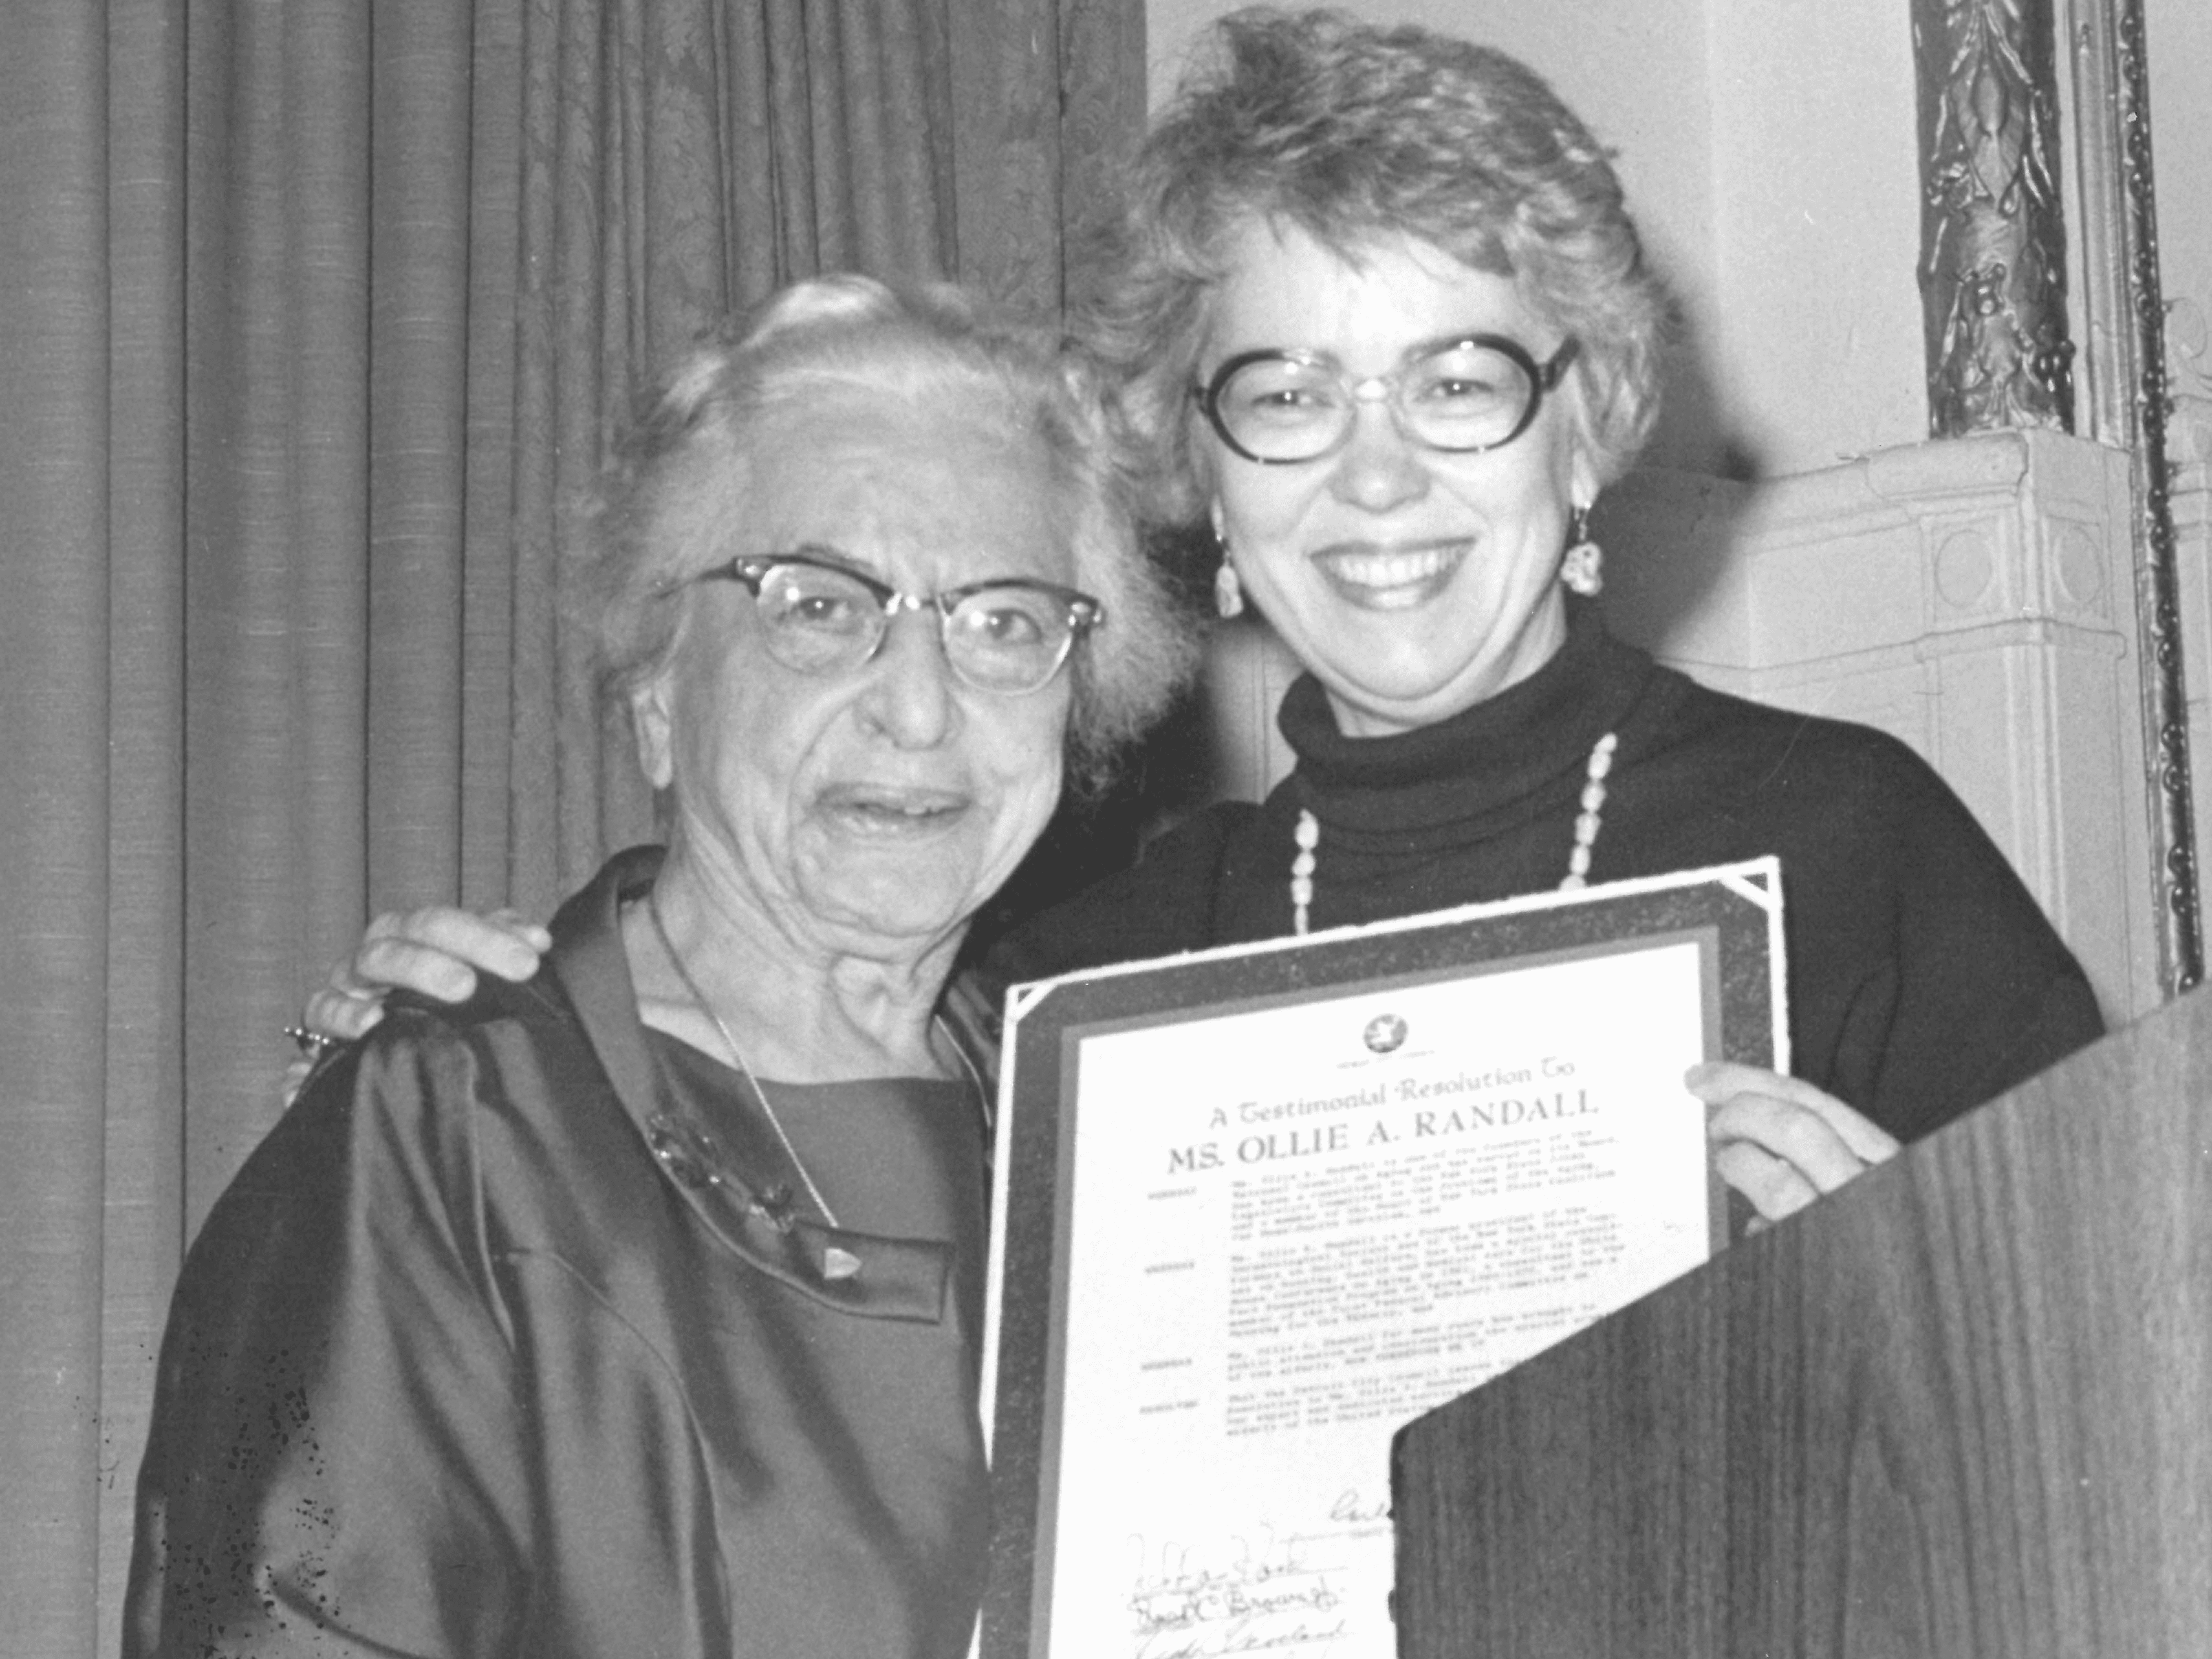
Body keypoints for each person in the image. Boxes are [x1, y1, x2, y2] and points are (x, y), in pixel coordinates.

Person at [298, 8, 2099, 1231]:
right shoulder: (1087, 968)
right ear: (1205, 473)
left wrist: (1921, 1305)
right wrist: (489, 1034)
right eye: (1292, 394)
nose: (1374, 480)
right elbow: (755, 1207)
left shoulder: (1853, 851)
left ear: (1583, 429)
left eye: (1456, 383)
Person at [124, 276, 1195, 1659]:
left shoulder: (1111, 1137)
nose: (923, 706)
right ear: (656, 695)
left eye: (1001, 622)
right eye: (820, 605)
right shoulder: (457, 1133)